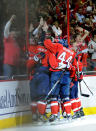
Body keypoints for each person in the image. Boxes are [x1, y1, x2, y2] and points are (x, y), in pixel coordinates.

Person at [44, 39, 76, 122]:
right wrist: (71, 77)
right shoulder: (72, 53)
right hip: (66, 75)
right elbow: (74, 67)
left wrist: (50, 39)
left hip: (56, 73)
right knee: (66, 96)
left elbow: (46, 43)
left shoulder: (59, 47)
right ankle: (68, 114)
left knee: (54, 96)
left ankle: (54, 115)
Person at [3, 15, 21, 79]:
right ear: (10, 33)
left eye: (15, 33)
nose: (14, 33)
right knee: (8, 82)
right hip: (8, 65)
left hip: (16, 65)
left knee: (16, 82)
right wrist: (11, 20)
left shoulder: (16, 43)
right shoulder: (7, 39)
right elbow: (6, 29)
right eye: (13, 32)